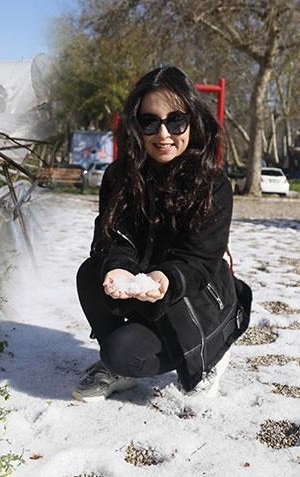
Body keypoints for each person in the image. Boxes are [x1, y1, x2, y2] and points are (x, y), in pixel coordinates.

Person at [72, 66, 251, 402]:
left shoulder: (214, 184)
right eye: (149, 121)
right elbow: (111, 237)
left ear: (193, 121)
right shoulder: (119, 176)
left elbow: (199, 260)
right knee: (89, 274)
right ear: (136, 126)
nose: (163, 133)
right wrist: (117, 267)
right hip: (144, 291)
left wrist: (164, 279)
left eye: (176, 120)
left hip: (192, 297)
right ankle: (121, 365)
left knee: (120, 352)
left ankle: (213, 351)